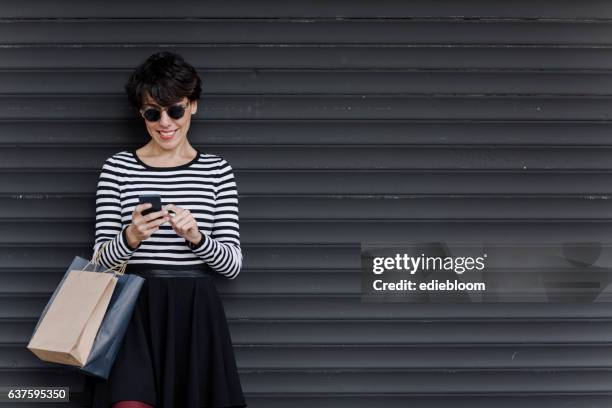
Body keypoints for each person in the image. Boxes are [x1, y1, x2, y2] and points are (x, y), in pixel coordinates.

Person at [86, 52, 247, 408]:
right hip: (131, 309)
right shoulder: (118, 168)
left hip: (193, 309)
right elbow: (98, 266)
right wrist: (131, 237)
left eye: (175, 109)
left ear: (193, 106)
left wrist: (197, 238)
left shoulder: (217, 172)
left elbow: (233, 266)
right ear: (140, 114)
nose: (165, 122)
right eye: (152, 112)